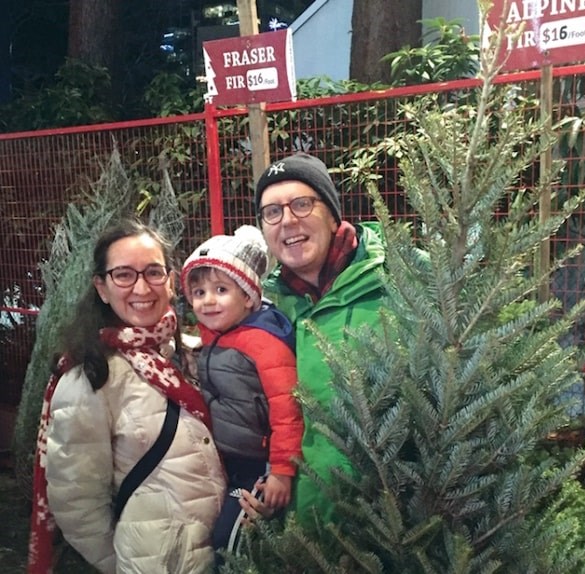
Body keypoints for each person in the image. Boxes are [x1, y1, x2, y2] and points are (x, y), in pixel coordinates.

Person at [28, 220, 226, 574]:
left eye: (153, 272)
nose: (141, 287)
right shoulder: (89, 378)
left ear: (169, 279)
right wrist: (128, 561)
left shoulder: (188, 354)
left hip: (222, 552)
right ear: (101, 288)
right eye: (123, 275)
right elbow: (76, 502)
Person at [244, 152, 387, 527]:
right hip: (305, 531)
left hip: (390, 527)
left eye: (302, 204)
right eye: (271, 212)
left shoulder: (401, 279)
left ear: (332, 213)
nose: (287, 220)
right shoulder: (267, 309)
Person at [180, 225, 303, 558]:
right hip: (227, 459)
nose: (208, 301)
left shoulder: (264, 342)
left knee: (229, 542)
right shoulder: (219, 332)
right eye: (199, 292)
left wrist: (281, 471)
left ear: (249, 296)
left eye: (221, 289)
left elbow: (287, 409)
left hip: (258, 465)